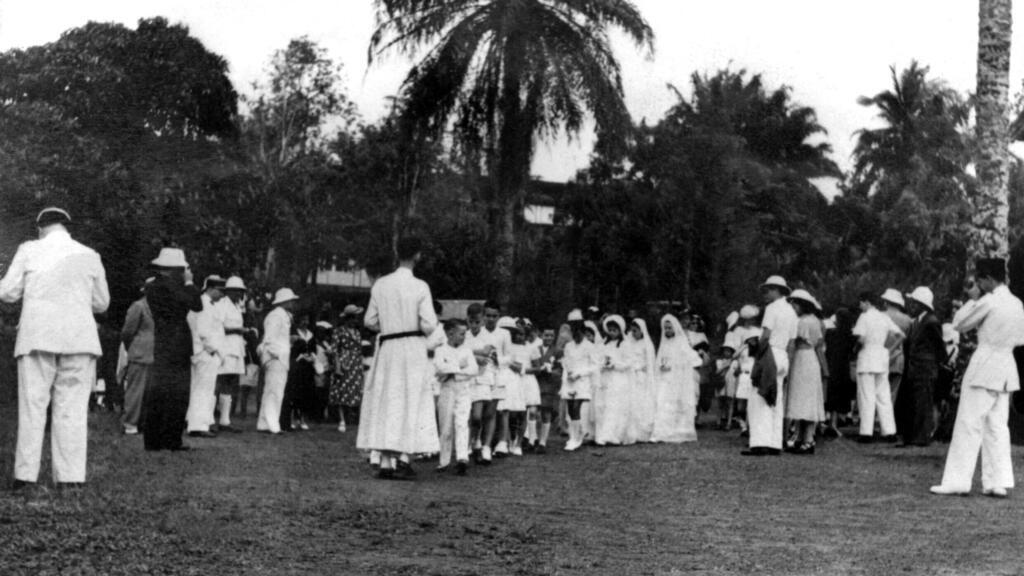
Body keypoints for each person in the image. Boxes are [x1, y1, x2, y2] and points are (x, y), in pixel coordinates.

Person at [0, 208, 110, 487]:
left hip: (38, 336)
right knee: (72, 409)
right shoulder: (89, 255)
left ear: (40, 227)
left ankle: (25, 476)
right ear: (66, 226)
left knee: (33, 407)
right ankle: (71, 478)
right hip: (79, 338)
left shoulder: (29, 250)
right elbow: (102, 303)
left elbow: (8, 293)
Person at [931, 258, 1024, 498]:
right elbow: (1020, 338)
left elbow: (959, 324)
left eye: (980, 281)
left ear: (987, 279)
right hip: (1006, 367)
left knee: (968, 424)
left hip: (984, 366)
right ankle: (997, 482)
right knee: (997, 426)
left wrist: (972, 300)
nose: (979, 286)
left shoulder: (989, 301)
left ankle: (957, 481)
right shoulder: (1017, 303)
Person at [356, 237, 439, 480]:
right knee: (412, 399)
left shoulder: (381, 284)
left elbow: (369, 321)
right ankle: (404, 458)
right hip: (411, 348)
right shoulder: (420, 286)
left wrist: (391, 325)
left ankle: (385, 462)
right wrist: (409, 326)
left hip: (388, 348)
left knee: (388, 400)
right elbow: (429, 324)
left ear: (397, 252)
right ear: (417, 255)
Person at [142, 248, 203, 451]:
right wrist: (189, 283)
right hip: (178, 343)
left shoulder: (153, 286)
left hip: (163, 343)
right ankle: (171, 439)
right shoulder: (171, 287)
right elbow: (197, 304)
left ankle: (154, 440)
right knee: (178, 394)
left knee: (159, 392)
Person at [744, 276, 797, 456]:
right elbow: (792, 342)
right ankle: (775, 443)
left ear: (777, 290)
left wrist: (758, 352)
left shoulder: (772, 308)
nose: (765, 294)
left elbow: (766, 335)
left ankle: (760, 443)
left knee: (760, 397)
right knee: (777, 399)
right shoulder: (791, 311)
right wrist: (787, 363)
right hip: (783, 355)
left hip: (770, 353)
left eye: (768, 291)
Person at [852, 291, 904, 443]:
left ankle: (866, 432)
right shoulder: (884, 317)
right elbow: (901, 335)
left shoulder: (864, 317)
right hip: (881, 357)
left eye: (861, 303)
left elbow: (861, 339)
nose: (860, 306)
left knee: (867, 396)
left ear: (867, 302)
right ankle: (889, 431)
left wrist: (854, 350)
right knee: (884, 396)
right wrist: (890, 350)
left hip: (867, 356)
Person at [897, 287, 944, 447]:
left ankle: (922, 437)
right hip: (915, 367)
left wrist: (936, 363)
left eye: (914, 303)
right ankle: (913, 435)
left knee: (924, 402)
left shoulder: (931, 322)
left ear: (921, 304)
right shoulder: (917, 321)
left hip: (925, 368)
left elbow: (939, 346)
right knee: (915, 402)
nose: (912, 306)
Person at [785, 290, 828, 455]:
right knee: (804, 399)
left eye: (796, 304)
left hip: (803, 359)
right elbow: (819, 343)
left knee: (803, 399)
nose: (793, 307)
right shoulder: (815, 320)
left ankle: (807, 440)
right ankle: (802, 438)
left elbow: (794, 342)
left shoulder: (802, 322)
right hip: (809, 360)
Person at [433, 318, 478, 475]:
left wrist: (453, 372)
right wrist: (460, 366)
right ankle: (444, 460)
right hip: (447, 389)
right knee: (445, 425)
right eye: (461, 333)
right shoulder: (440, 350)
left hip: (463, 389)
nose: (464, 336)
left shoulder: (467, 350)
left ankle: (462, 458)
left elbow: (474, 369)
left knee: (462, 423)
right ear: (450, 333)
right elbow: (439, 368)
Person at [185, 275, 226, 438]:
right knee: (203, 390)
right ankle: (198, 425)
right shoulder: (203, 304)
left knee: (203, 389)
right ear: (210, 288)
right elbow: (203, 332)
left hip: (205, 352)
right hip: (205, 352)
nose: (222, 294)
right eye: (220, 291)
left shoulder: (208, 304)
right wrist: (212, 350)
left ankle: (200, 421)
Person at [651, 314, 702, 443]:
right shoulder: (664, 343)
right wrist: (661, 367)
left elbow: (692, 358)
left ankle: (676, 431)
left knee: (673, 403)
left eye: (670, 328)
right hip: (665, 377)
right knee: (662, 402)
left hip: (677, 378)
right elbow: (660, 359)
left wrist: (676, 364)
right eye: (665, 328)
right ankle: (661, 432)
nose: (667, 330)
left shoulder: (681, 342)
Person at [256, 288, 299, 434]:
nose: (293, 303)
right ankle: (272, 424)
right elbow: (269, 338)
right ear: (285, 301)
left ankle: (265, 423)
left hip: (279, 357)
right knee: (274, 392)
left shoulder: (283, 315)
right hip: (276, 358)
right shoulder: (276, 316)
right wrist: (276, 355)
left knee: (272, 391)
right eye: (291, 300)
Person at [215, 276, 251, 433]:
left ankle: (225, 420)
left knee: (230, 383)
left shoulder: (237, 307)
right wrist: (237, 330)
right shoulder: (222, 305)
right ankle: (209, 419)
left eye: (241, 291)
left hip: (236, 348)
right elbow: (218, 327)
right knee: (221, 382)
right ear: (228, 291)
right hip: (225, 348)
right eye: (236, 291)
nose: (239, 294)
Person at [119, 278, 155, 435]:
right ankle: (130, 423)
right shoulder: (138, 306)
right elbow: (127, 331)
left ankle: (144, 423)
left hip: (155, 354)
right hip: (139, 353)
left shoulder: (160, 308)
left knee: (150, 392)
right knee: (135, 390)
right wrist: (133, 348)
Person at [561, 310, 597, 451]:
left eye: (578, 333)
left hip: (583, 381)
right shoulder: (569, 346)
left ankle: (576, 438)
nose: (576, 336)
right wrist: (568, 372)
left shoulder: (590, 346)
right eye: (573, 333)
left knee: (576, 406)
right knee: (571, 409)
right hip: (570, 380)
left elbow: (594, 365)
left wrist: (579, 373)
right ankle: (574, 435)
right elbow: (566, 361)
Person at [330, 305, 365, 432]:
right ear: (348, 318)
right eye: (354, 318)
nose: (356, 320)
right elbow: (334, 350)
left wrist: (360, 364)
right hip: (344, 361)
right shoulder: (339, 331)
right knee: (342, 390)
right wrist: (338, 366)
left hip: (355, 363)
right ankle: (342, 419)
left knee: (354, 390)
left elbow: (359, 349)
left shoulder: (357, 332)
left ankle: (352, 418)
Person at [824, 307, 856, 438]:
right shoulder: (851, 336)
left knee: (829, 395)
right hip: (842, 368)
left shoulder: (830, 333)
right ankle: (833, 423)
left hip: (830, 364)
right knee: (839, 397)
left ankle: (825, 422)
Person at [533, 326, 566, 453]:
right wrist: (539, 368)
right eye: (546, 335)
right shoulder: (536, 349)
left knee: (546, 412)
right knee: (533, 411)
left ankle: (543, 442)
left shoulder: (558, 351)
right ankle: (532, 439)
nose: (548, 338)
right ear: (541, 336)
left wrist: (550, 371)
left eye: (551, 336)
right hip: (536, 382)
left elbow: (560, 369)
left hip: (549, 384)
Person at [626, 318, 657, 443]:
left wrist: (640, 368)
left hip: (641, 376)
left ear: (642, 330)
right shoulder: (629, 342)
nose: (633, 333)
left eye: (635, 331)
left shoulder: (647, 344)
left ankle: (642, 431)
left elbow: (650, 363)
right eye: (632, 331)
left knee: (641, 401)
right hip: (630, 375)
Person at [881, 289, 913, 405]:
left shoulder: (880, 316)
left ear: (886, 302)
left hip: (881, 358)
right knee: (892, 394)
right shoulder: (908, 320)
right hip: (898, 359)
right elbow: (908, 340)